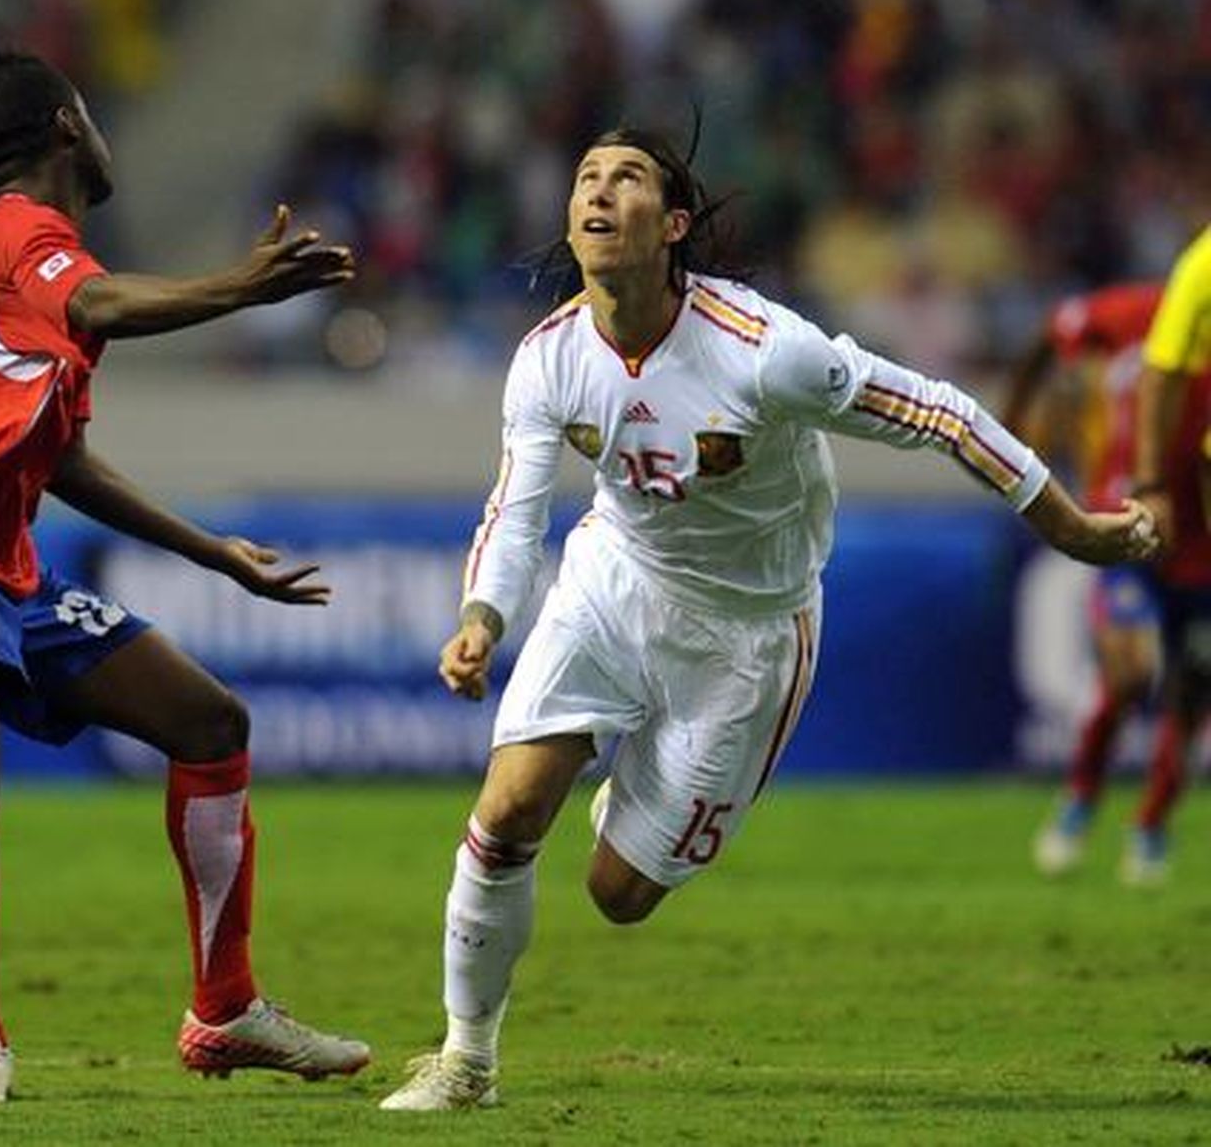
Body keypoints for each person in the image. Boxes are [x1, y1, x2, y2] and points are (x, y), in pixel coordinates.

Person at [378, 127, 1159, 1112]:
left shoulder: (766, 353)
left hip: (748, 631)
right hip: (613, 582)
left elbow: (944, 414)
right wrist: (482, 617)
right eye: (584, 176)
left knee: (618, 895)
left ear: (669, 227)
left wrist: (1074, 527)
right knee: (504, 817)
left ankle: (637, 796)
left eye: (625, 177)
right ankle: (465, 1062)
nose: (597, 190)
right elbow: (516, 507)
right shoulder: (546, 361)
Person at [0, 51, 368, 1104]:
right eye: (96, 116)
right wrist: (240, 287)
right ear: (68, 125)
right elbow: (99, 305)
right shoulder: (23, 236)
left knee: (212, 724)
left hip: (1, 570)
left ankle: (226, 1009)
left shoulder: (20, 268)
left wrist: (212, 553)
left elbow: (61, 462)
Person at [1010, 284, 1211, 885]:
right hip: (1128, 518)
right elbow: (1054, 329)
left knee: (1191, 692)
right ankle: (1079, 801)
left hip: (1201, 549)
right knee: (1128, 673)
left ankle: (1151, 826)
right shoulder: (1134, 312)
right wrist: (1015, 413)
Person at [1127, 225, 1211, 884]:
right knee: (1186, 683)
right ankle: (1149, 822)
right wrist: (1152, 484)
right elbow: (1159, 375)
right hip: (1193, 521)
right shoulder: (1202, 265)